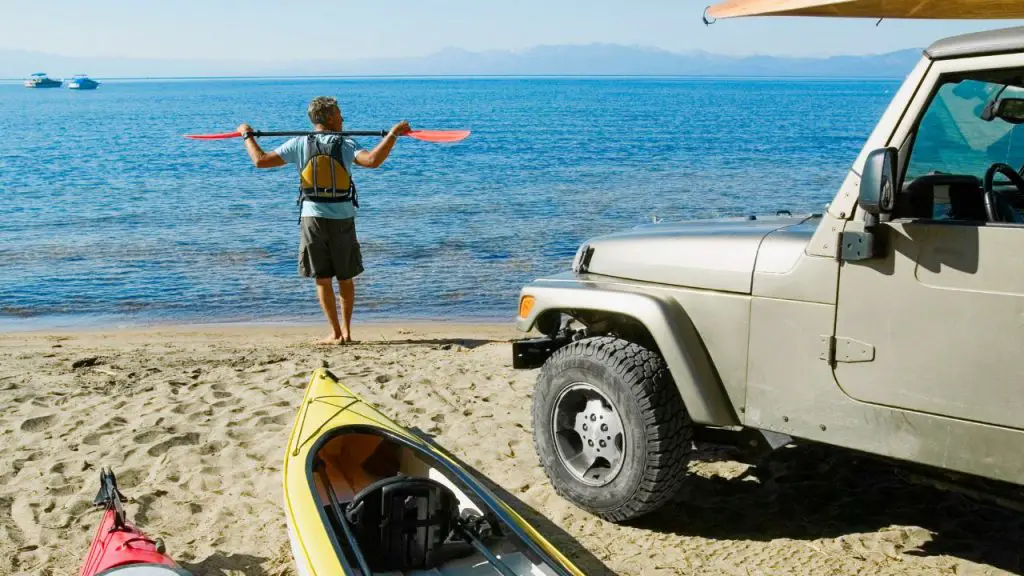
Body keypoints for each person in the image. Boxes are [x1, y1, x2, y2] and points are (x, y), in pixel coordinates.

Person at [237, 96, 410, 344]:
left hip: (313, 219)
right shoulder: (346, 144)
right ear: (329, 117)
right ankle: (347, 333)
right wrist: (392, 135)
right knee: (345, 277)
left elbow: (260, 161)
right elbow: (372, 161)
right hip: (343, 218)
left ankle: (336, 333)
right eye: (339, 113)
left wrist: (247, 135)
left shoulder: (299, 144)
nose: (343, 118)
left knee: (322, 278)